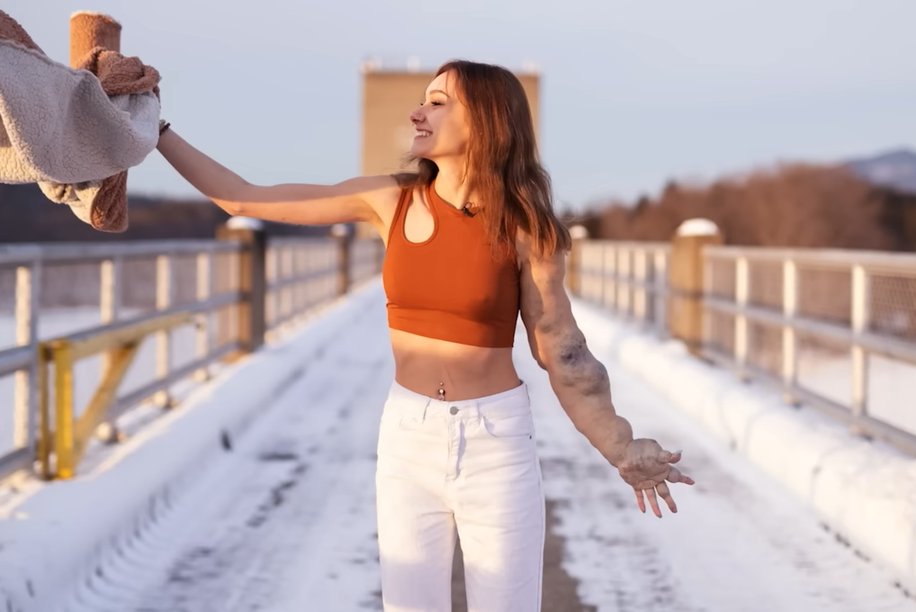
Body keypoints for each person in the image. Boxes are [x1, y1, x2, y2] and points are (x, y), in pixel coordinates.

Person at [156, 59, 694, 612]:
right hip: (407, 438)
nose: (418, 111)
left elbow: (563, 350)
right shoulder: (391, 200)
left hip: (496, 445)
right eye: (423, 99)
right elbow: (245, 199)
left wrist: (622, 445)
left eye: (438, 103)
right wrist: (156, 131)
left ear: (486, 120)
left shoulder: (525, 226)